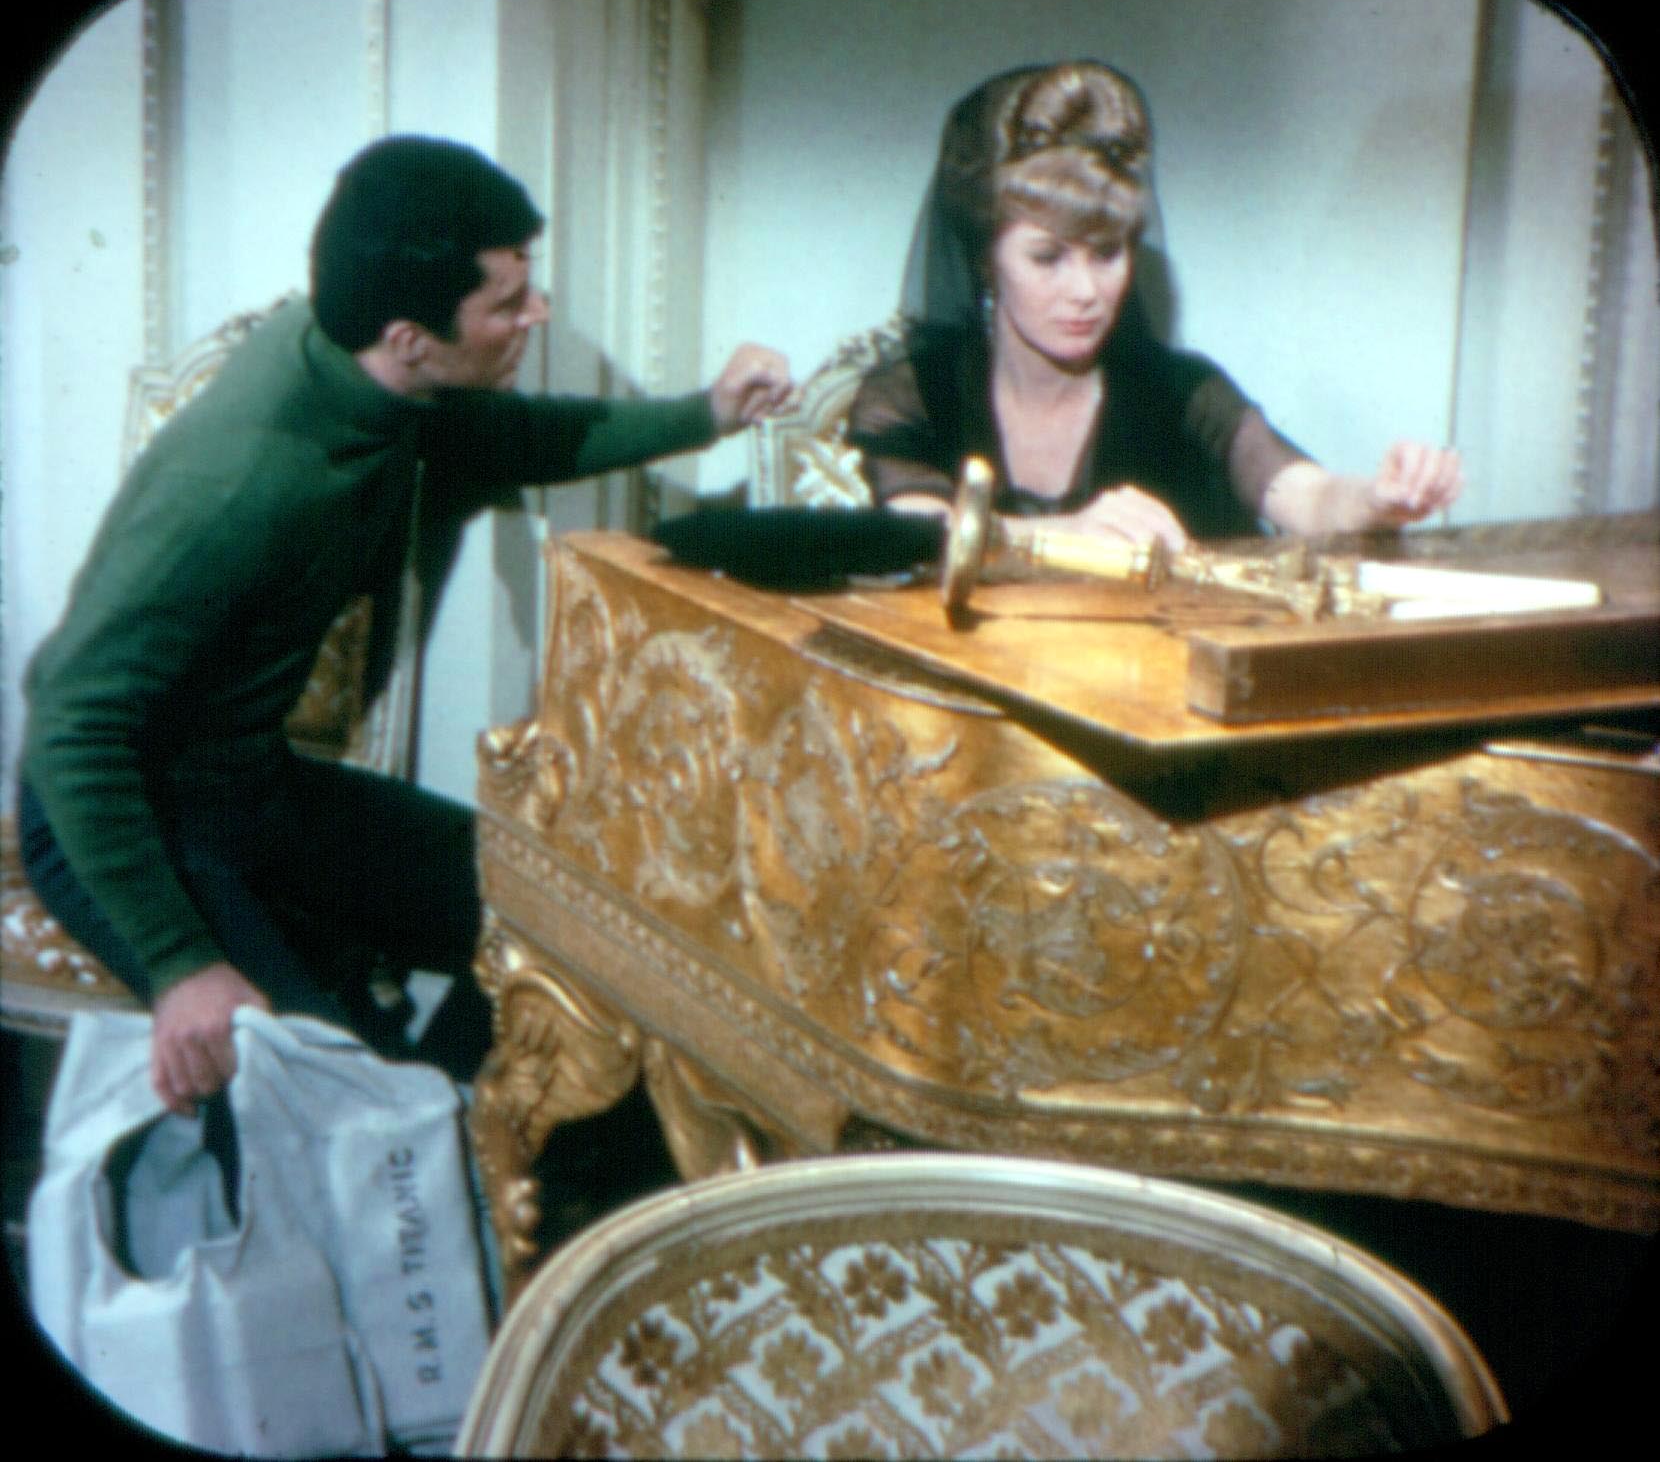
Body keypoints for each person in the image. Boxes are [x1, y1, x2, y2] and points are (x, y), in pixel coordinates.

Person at [18, 134, 793, 1117]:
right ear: (411, 338)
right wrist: (181, 964)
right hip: (118, 819)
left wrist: (708, 412)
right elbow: (71, 726)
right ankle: (391, 1126)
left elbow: (515, 435)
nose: (537, 314)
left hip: (246, 788)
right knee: (327, 1101)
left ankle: (447, 1128)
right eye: (509, 303)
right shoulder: (243, 481)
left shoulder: (379, 374)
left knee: (559, 921)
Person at [849, 61, 1463, 546]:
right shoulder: (919, 392)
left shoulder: (1181, 393)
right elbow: (922, 536)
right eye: (1048, 257)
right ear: (987, 260)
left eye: (1107, 252)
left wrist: (1377, 499)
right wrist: (1066, 534)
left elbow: (1306, 496)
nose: (1086, 290)